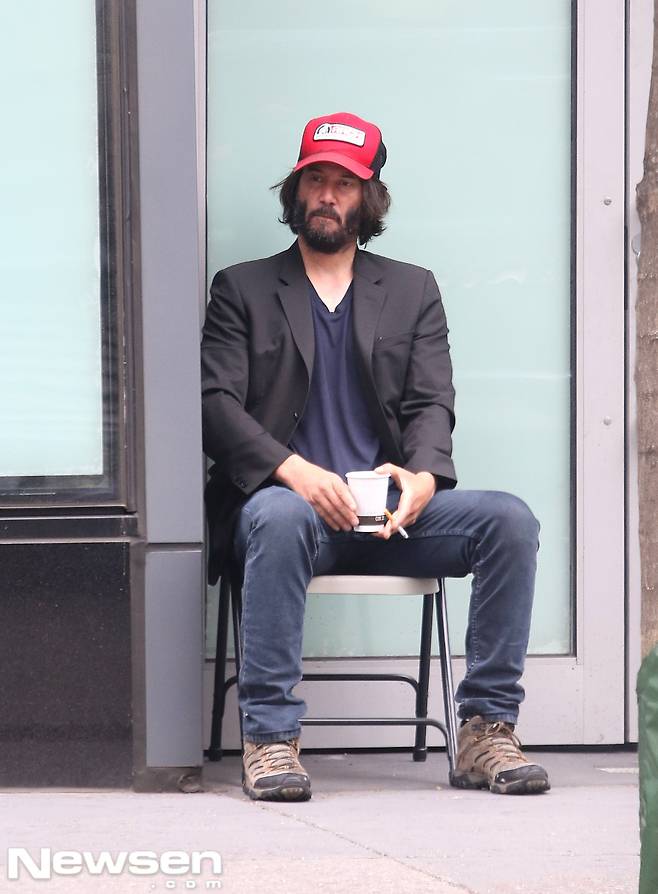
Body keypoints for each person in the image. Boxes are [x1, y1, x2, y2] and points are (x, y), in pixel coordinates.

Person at [201, 112, 550, 802]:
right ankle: (270, 739)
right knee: (277, 515)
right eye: (315, 180)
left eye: (344, 184)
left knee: (509, 521)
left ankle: (485, 730)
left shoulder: (412, 289)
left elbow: (431, 401)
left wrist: (423, 478)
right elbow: (214, 405)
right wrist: (293, 473)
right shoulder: (242, 288)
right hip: (287, 516)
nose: (327, 195)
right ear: (295, 191)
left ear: (369, 197)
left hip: (387, 516)